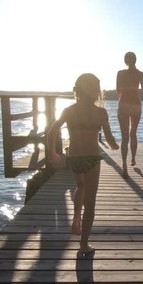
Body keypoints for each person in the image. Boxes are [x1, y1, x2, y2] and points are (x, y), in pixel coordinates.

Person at [48, 73, 119, 256]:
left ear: (77, 90)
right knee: (91, 202)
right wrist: (114, 144)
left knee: (81, 185)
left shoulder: (69, 110)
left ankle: (76, 216)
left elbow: (52, 131)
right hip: (92, 158)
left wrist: (52, 152)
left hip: (75, 158)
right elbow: (109, 138)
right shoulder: (101, 113)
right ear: (96, 91)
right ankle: (84, 244)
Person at [116, 51, 143, 177]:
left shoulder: (120, 73)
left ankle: (124, 165)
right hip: (135, 104)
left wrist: (125, 90)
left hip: (124, 104)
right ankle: (133, 159)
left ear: (125, 61)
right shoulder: (140, 74)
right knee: (133, 133)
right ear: (135, 60)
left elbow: (118, 89)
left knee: (125, 137)